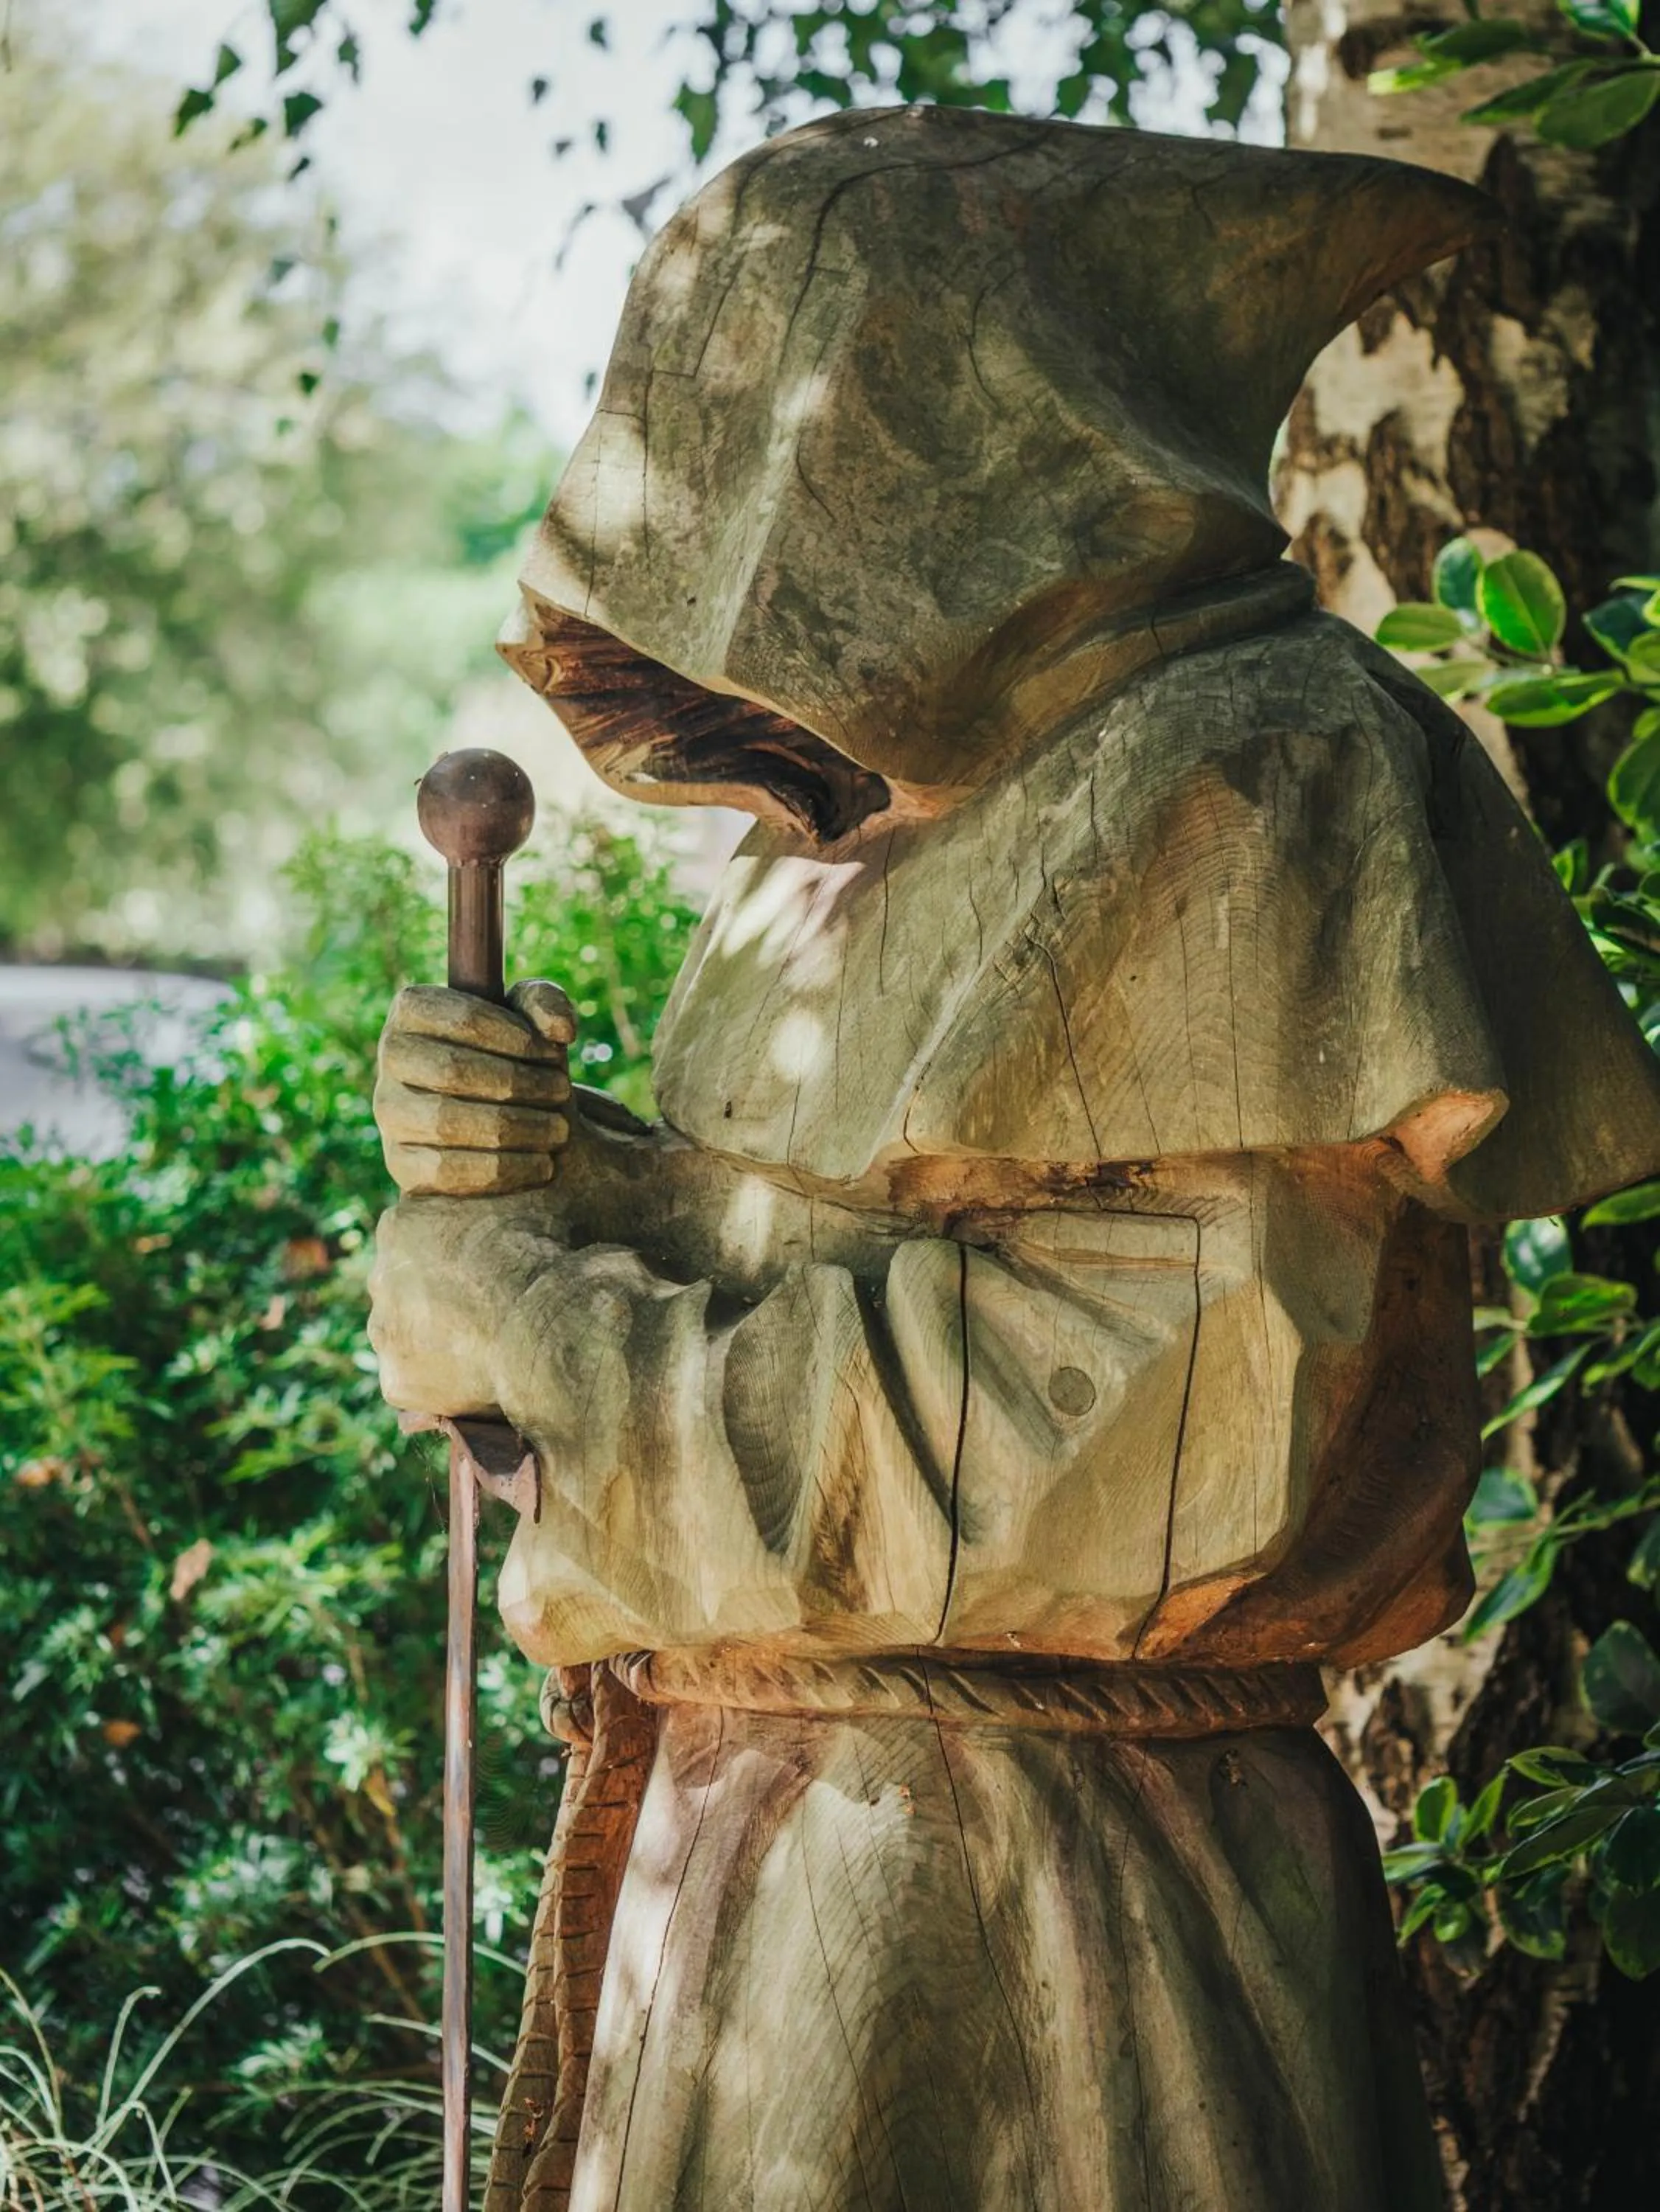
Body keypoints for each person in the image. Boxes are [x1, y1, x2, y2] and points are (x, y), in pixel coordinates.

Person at [369, 106, 1660, 2212]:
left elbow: (1122, 1449)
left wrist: (548, 1325)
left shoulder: (1250, 768)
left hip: (1051, 1929)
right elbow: (834, 1236)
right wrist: (568, 1188)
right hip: (775, 1890)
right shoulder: (859, 828)